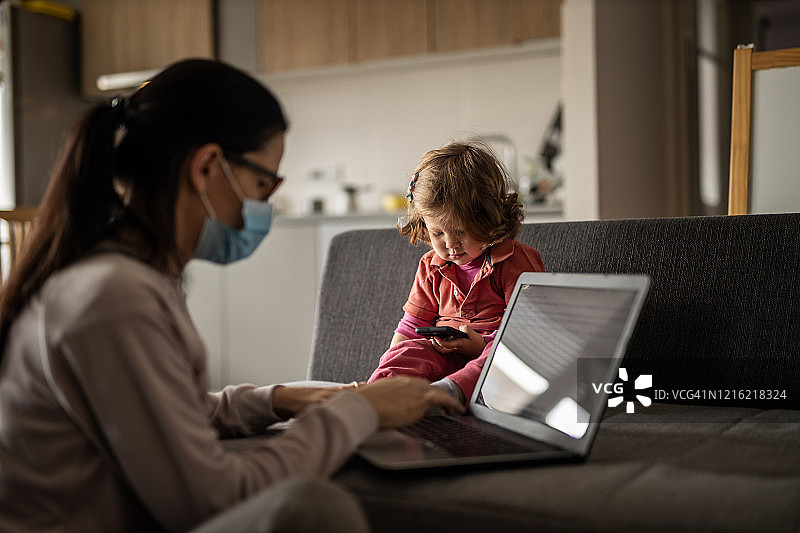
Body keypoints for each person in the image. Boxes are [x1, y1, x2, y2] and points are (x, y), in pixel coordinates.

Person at [0, 59, 461, 533]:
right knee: (314, 508)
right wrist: (357, 413)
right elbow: (211, 498)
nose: (265, 206)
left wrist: (280, 399)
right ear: (205, 167)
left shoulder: (127, 278)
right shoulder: (114, 297)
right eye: (263, 184)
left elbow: (171, 414)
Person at [367, 141, 545, 404]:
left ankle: (448, 393)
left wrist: (479, 344)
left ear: (489, 217)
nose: (450, 244)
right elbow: (410, 326)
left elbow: (527, 331)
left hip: (495, 357)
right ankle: (372, 396)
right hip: (445, 356)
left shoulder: (515, 260)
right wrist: (396, 358)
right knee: (408, 351)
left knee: (499, 354)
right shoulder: (431, 265)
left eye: (460, 232)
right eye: (437, 233)